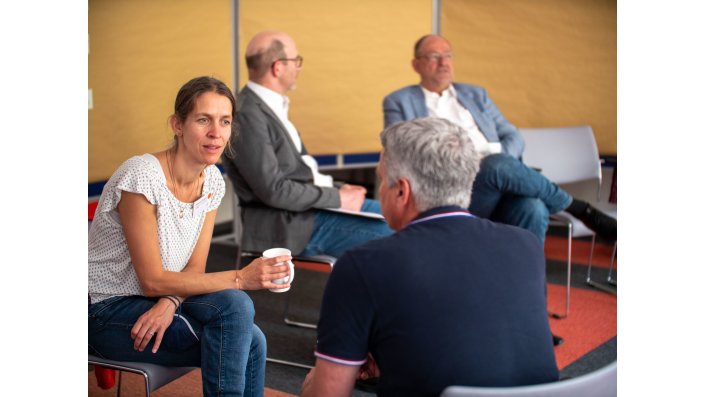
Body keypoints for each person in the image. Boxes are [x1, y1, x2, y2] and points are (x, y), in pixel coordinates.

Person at [300, 118, 559, 397]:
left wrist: (311, 383)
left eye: (380, 178)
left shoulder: (363, 265)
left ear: (401, 191)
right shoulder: (526, 244)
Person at [88, 76, 292, 397]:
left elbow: (194, 268)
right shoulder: (142, 175)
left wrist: (169, 302)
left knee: (239, 314)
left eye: (224, 121)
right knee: (247, 337)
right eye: (203, 120)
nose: (216, 133)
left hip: (157, 300)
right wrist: (240, 277)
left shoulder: (212, 180)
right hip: (105, 310)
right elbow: (152, 280)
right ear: (177, 125)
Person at [383, 34, 616, 245]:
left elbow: (512, 135)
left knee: (531, 207)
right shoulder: (399, 101)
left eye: (448, 56)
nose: (444, 63)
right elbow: (400, 149)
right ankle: (580, 209)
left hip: (494, 183)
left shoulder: (476, 94)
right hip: (448, 189)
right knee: (496, 164)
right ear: (416, 65)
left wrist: (503, 165)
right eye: (434, 56)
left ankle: (523, 281)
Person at [221, 31, 393, 258]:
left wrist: (339, 188)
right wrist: (338, 198)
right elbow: (274, 191)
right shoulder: (246, 114)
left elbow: (301, 174)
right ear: (278, 67)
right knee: (397, 230)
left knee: (405, 217)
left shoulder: (270, 107)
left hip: (307, 212)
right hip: (288, 226)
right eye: (296, 61)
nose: (299, 68)